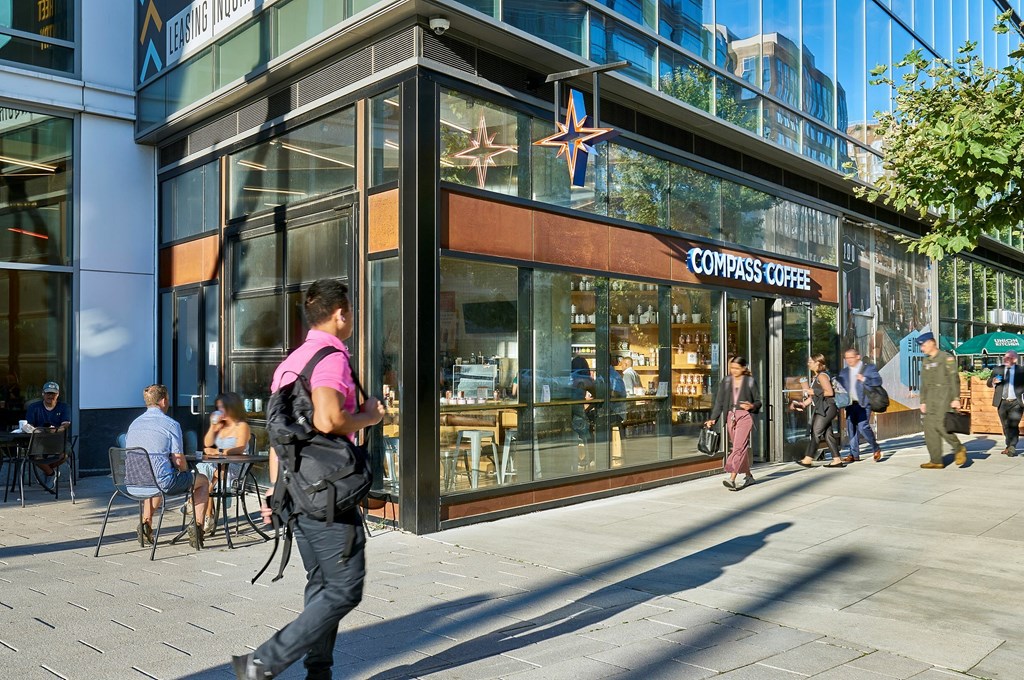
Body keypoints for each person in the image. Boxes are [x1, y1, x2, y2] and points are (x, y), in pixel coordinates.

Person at [232, 279, 384, 680]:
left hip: (297, 491)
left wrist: (275, 490)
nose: (350, 317)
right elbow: (328, 419)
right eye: (349, 311)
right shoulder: (331, 358)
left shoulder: (292, 362)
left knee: (321, 584)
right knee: (344, 587)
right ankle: (262, 662)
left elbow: (281, 435)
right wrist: (370, 415)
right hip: (329, 494)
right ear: (340, 314)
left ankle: (319, 672)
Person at [124, 384, 210, 548]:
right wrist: (186, 472)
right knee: (203, 481)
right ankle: (198, 528)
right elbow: (178, 460)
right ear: (163, 400)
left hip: (133, 483)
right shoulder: (171, 424)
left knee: (156, 477)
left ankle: (145, 524)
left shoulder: (134, 424)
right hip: (162, 483)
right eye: (168, 399)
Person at [197, 392, 251, 535]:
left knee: (205, 475)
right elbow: (207, 443)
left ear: (232, 408)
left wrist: (219, 451)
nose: (220, 410)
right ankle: (207, 517)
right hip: (219, 466)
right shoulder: (221, 425)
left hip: (235, 467)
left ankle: (196, 507)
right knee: (205, 474)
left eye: (223, 407)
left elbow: (239, 447)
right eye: (219, 407)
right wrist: (213, 427)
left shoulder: (242, 426)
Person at [706, 356, 761, 490]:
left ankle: (732, 478)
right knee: (740, 448)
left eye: (737, 368)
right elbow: (719, 402)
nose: (734, 370)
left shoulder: (750, 381)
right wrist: (713, 418)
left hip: (745, 416)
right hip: (731, 416)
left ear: (743, 368)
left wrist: (751, 406)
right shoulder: (726, 381)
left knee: (738, 447)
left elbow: (759, 401)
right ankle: (749, 477)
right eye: (732, 368)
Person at [918, 332, 967, 469]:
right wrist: (923, 401)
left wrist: (956, 398)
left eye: (923, 345)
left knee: (942, 425)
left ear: (932, 342)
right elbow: (924, 383)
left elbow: (954, 380)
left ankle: (959, 448)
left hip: (944, 396)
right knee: (929, 429)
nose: (922, 349)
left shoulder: (946, 358)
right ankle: (936, 460)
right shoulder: (926, 361)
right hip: (930, 398)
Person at [792, 355, 844, 468]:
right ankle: (837, 460)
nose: (808, 363)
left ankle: (808, 459)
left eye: (811, 361)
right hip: (823, 407)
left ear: (818, 363)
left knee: (816, 432)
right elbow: (815, 397)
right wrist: (803, 404)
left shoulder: (822, 376)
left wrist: (813, 391)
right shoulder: (816, 377)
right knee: (828, 434)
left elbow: (829, 392)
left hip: (828, 408)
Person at [836, 348, 884, 462]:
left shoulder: (868, 368)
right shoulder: (844, 372)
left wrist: (864, 379)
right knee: (851, 429)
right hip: (850, 404)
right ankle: (854, 454)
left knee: (863, 427)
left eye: (851, 357)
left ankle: (875, 448)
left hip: (864, 403)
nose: (848, 360)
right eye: (846, 358)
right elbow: (839, 386)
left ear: (858, 356)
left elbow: (877, 381)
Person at [26, 381, 71, 486]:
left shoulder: (64, 407)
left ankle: (47, 470)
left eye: (53, 393)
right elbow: (29, 425)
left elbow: (65, 424)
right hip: (39, 439)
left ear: (58, 394)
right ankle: (50, 473)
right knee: (33, 455)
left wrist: (55, 430)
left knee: (64, 454)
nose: (50, 396)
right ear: (43, 394)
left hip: (58, 438)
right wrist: (40, 430)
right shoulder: (34, 407)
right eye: (48, 393)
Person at [987, 351, 1024, 456]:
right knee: (1005, 425)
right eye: (1005, 357)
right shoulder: (997, 369)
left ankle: (1012, 447)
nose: (1006, 359)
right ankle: (1009, 445)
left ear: (1015, 359)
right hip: (1002, 402)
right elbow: (988, 383)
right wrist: (993, 380)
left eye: (1009, 357)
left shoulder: (1021, 370)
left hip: (1016, 402)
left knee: (1013, 424)